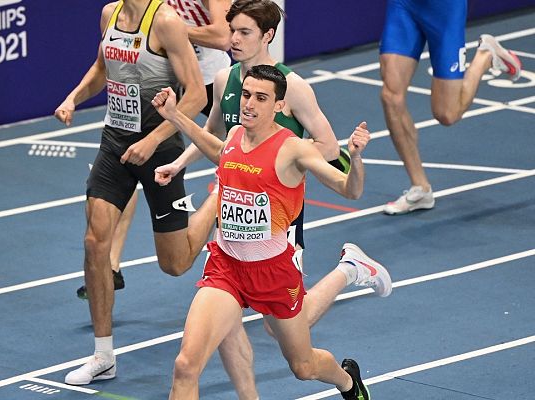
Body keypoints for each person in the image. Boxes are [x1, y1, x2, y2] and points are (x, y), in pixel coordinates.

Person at [153, 1, 391, 398]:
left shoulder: (294, 144)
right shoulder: (232, 131)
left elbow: (350, 189)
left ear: (279, 105)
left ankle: (348, 380)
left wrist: (356, 156)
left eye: (260, 99)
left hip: (273, 266)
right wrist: (176, 120)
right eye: (246, 96)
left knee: (302, 365)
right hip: (226, 266)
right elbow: (216, 145)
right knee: (184, 366)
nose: (247, 103)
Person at [53, 0, 217, 385]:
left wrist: (155, 138)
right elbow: (101, 69)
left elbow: (195, 95)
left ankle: (220, 195)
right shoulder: (110, 14)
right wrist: (74, 97)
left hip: (158, 149)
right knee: (95, 242)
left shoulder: (166, 22)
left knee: (174, 264)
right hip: (115, 143)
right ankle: (103, 355)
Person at [75, 0, 233, 301]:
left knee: (238, 155)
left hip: (209, 82)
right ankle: (112, 264)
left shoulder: (167, 20)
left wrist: (169, 31)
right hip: (161, 83)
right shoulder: (126, 10)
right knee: (126, 163)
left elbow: (222, 37)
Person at [380, 0, 522, 215]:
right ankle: (421, 188)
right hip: (405, 5)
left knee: (447, 114)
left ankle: (485, 56)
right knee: (391, 96)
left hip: (444, 9)